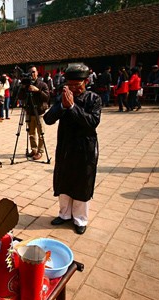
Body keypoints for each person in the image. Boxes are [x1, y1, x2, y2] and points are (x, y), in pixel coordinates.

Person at [43, 64, 102, 235]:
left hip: (85, 148)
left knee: (82, 183)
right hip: (66, 147)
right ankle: (64, 214)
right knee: (64, 181)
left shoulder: (94, 99)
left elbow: (92, 122)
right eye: (71, 85)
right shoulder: (63, 98)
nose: (75, 89)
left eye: (78, 85)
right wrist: (61, 106)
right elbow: (47, 119)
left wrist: (72, 107)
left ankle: (80, 219)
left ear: (86, 82)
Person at [17, 65, 50, 160]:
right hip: (29, 112)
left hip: (39, 112)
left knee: (41, 133)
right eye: (30, 72)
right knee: (31, 133)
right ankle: (34, 150)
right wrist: (23, 88)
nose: (32, 74)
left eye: (34, 72)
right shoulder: (26, 85)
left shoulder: (42, 84)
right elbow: (20, 97)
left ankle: (40, 151)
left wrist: (38, 91)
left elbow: (47, 97)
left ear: (37, 73)